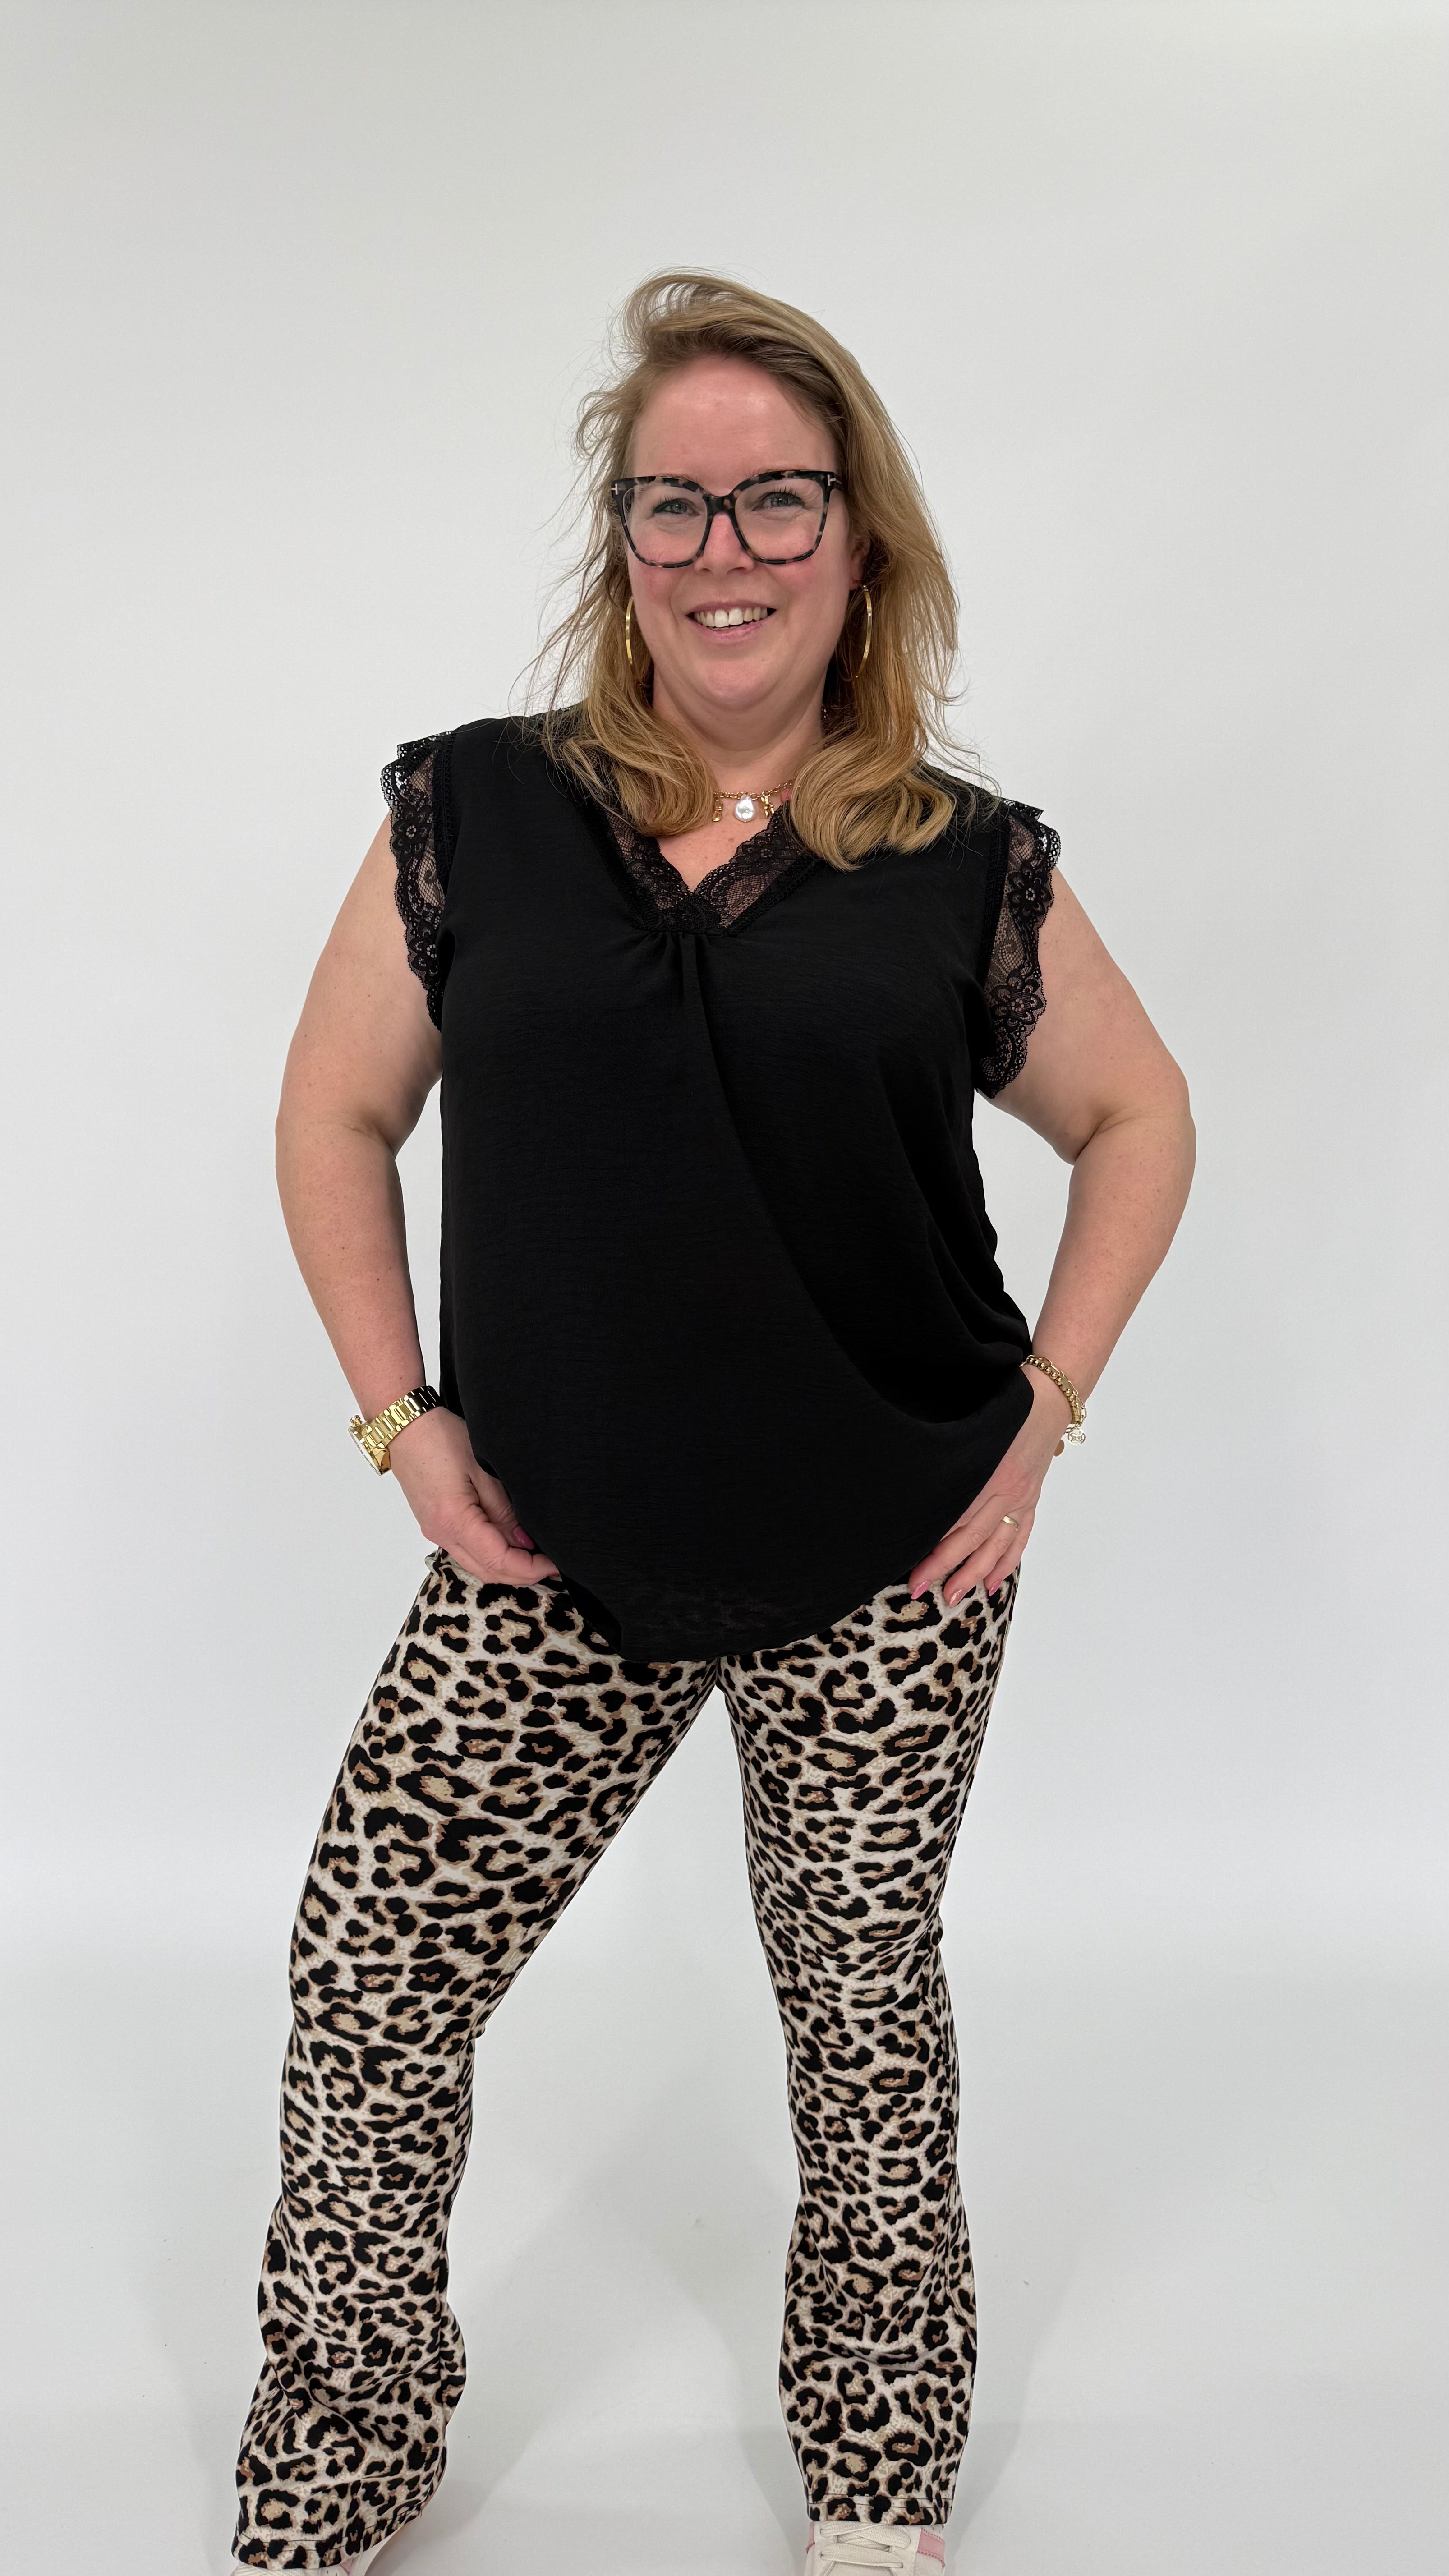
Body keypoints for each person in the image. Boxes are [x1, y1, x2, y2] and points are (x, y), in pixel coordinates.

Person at [230, 271, 1195, 2575]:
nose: (724, 548)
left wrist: (1046, 1408)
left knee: (858, 2014)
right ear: (624, 538)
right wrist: (402, 1422)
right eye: (676, 501)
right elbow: (336, 1113)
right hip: (548, 1545)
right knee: (371, 1975)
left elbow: (1140, 1117)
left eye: (778, 498)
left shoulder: (961, 858)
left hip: (890, 1543)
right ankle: (342, 2462)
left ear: (860, 540)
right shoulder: (473, 811)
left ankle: (878, 2489)